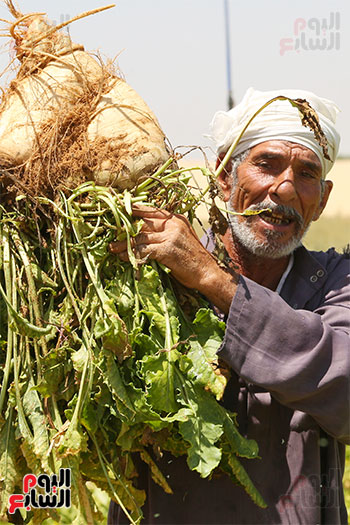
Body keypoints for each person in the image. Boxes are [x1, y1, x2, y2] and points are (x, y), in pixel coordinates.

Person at [108, 88, 350, 524]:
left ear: (323, 200)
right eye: (267, 164)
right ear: (224, 178)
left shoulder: (336, 282)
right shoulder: (152, 275)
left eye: (306, 173)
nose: (285, 188)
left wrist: (216, 283)